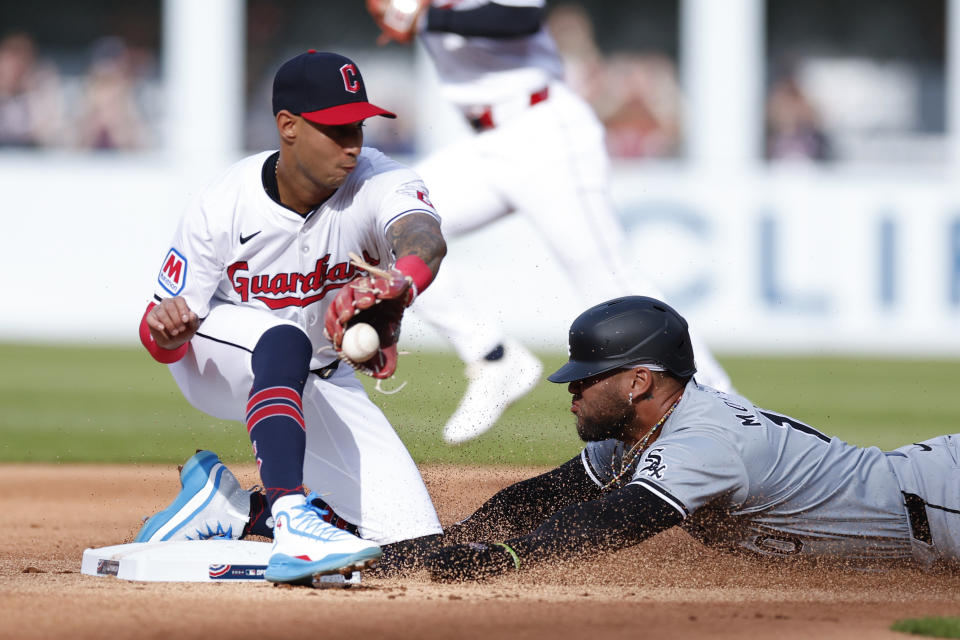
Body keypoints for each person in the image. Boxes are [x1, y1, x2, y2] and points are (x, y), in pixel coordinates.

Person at [372, 296, 960, 580]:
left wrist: (507, 558)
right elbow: (546, 496)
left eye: (586, 380)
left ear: (638, 382)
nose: (571, 391)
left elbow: (617, 518)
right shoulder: (640, 430)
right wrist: (441, 545)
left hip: (943, 502)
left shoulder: (701, 441)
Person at [135, 50, 447, 585]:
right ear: (289, 126)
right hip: (219, 358)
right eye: (335, 128)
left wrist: (401, 282)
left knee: (409, 547)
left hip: (322, 374)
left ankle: (235, 510)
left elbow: (424, 239)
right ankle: (291, 516)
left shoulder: (379, 180)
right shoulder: (223, 202)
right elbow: (159, 338)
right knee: (282, 337)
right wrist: (167, 330)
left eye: (359, 125)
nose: (353, 143)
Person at [364, 0, 733, 445]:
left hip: (544, 130)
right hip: (486, 143)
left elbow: (520, 16)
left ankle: (727, 413)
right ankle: (493, 356)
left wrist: (426, 17)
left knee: (615, 286)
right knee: (394, 227)